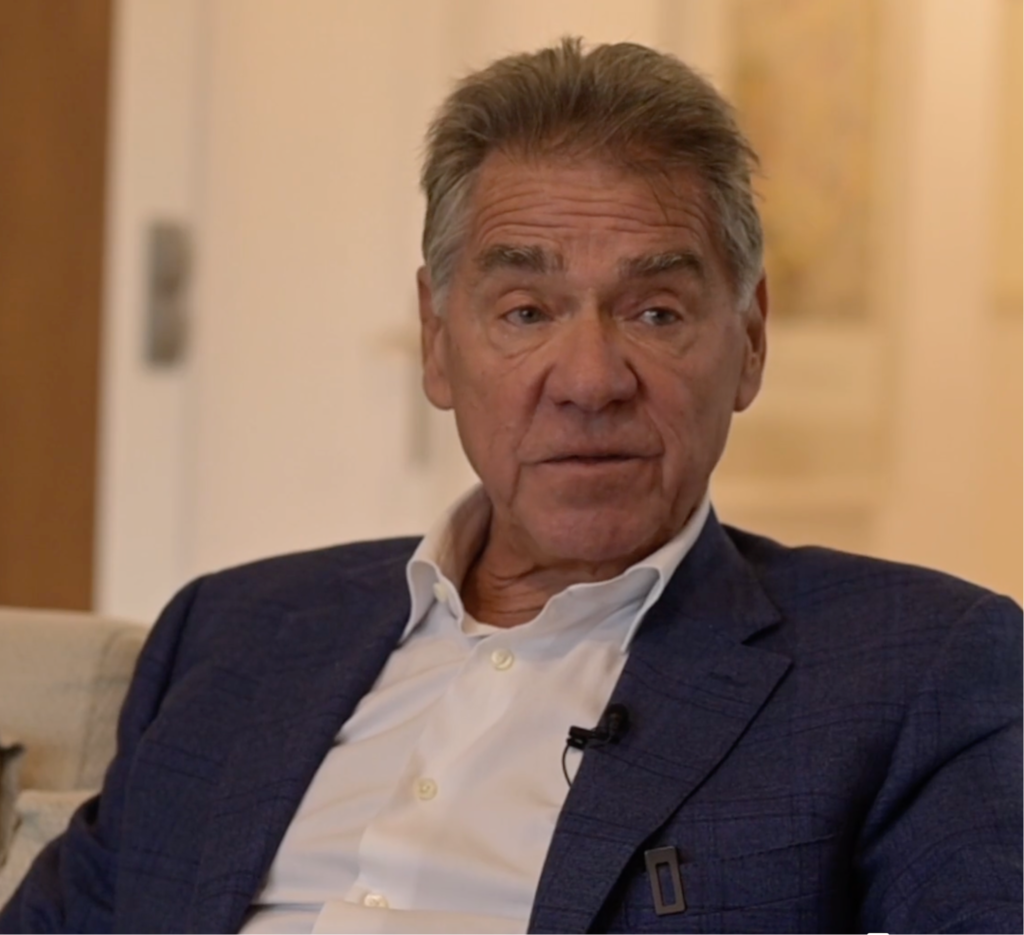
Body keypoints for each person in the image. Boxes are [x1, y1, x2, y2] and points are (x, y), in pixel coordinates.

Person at [3, 37, 1024, 935]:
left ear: (749, 341)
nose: (589, 380)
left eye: (656, 312)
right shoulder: (233, 633)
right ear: (436, 339)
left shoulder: (911, 669)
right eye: (526, 311)